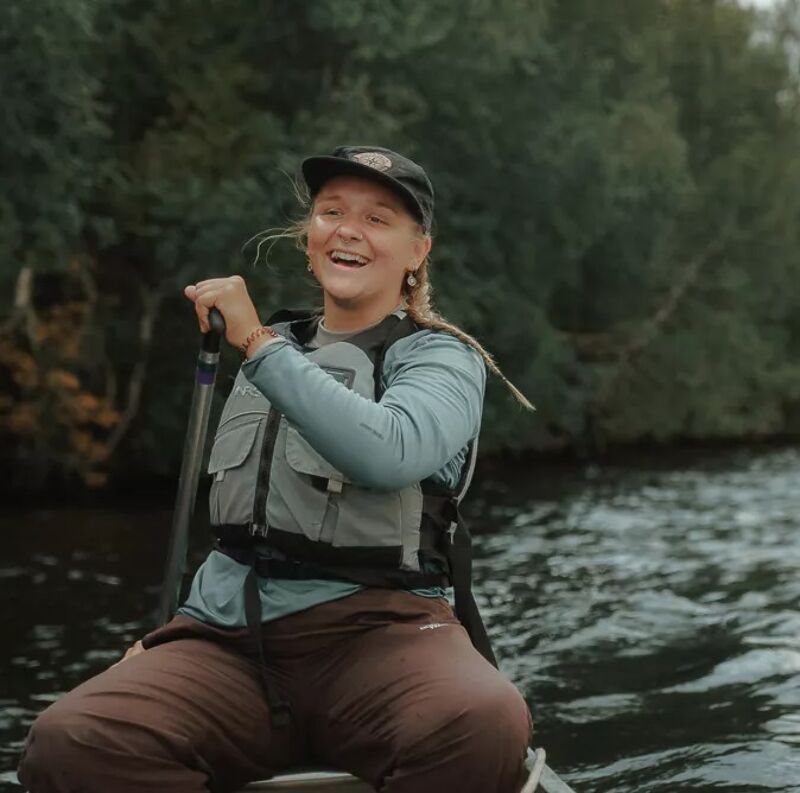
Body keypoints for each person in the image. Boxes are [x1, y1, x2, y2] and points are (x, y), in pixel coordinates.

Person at [18, 146, 535, 793]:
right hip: (230, 639)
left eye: (378, 219)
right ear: (310, 238)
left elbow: (391, 449)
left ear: (417, 251)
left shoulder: (438, 358)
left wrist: (256, 343)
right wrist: (169, 632)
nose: (349, 228)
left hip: (385, 633)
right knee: (71, 740)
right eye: (331, 212)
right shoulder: (277, 346)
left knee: (482, 721)